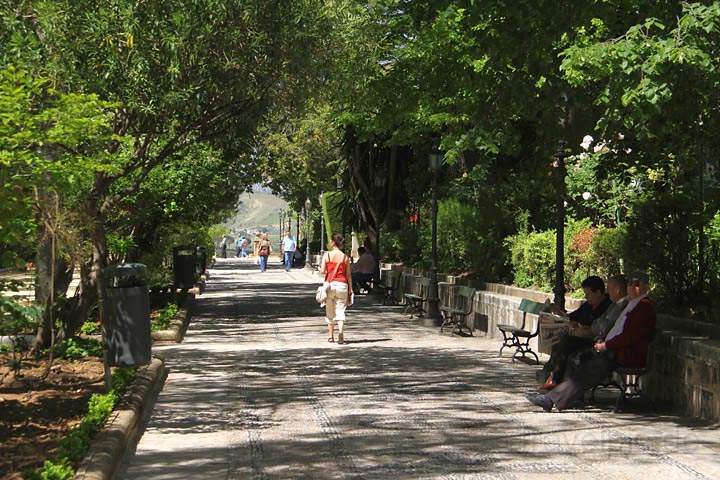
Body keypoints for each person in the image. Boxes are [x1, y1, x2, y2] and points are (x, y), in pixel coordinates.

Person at [527, 272, 656, 412]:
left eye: (636, 284)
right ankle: (554, 396)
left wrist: (606, 345)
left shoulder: (644, 306)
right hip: (615, 349)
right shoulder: (634, 304)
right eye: (630, 284)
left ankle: (552, 398)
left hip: (623, 353)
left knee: (587, 367)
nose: (631, 287)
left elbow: (630, 336)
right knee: (580, 361)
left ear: (645, 286)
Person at [536, 276, 612, 386]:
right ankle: (549, 374)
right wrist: (560, 314)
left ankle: (554, 378)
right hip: (579, 337)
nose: (587, 297)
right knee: (559, 341)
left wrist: (581, 326)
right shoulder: (587, 305)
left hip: (593, 340)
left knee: (566, 342)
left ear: (599, 292)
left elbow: (599, 328)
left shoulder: (608, 306)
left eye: (589, 294)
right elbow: (571, 317)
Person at [320, 234, 353, 344]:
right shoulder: (345, 257)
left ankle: (330, 336)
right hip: (343, 285)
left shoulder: (327, 255)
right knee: (340, 310)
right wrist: (350, 289)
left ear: (333, 242)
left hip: (330, 285)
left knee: (330, 311)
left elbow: (322, 271)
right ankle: (341, 333)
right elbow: (348, 275)